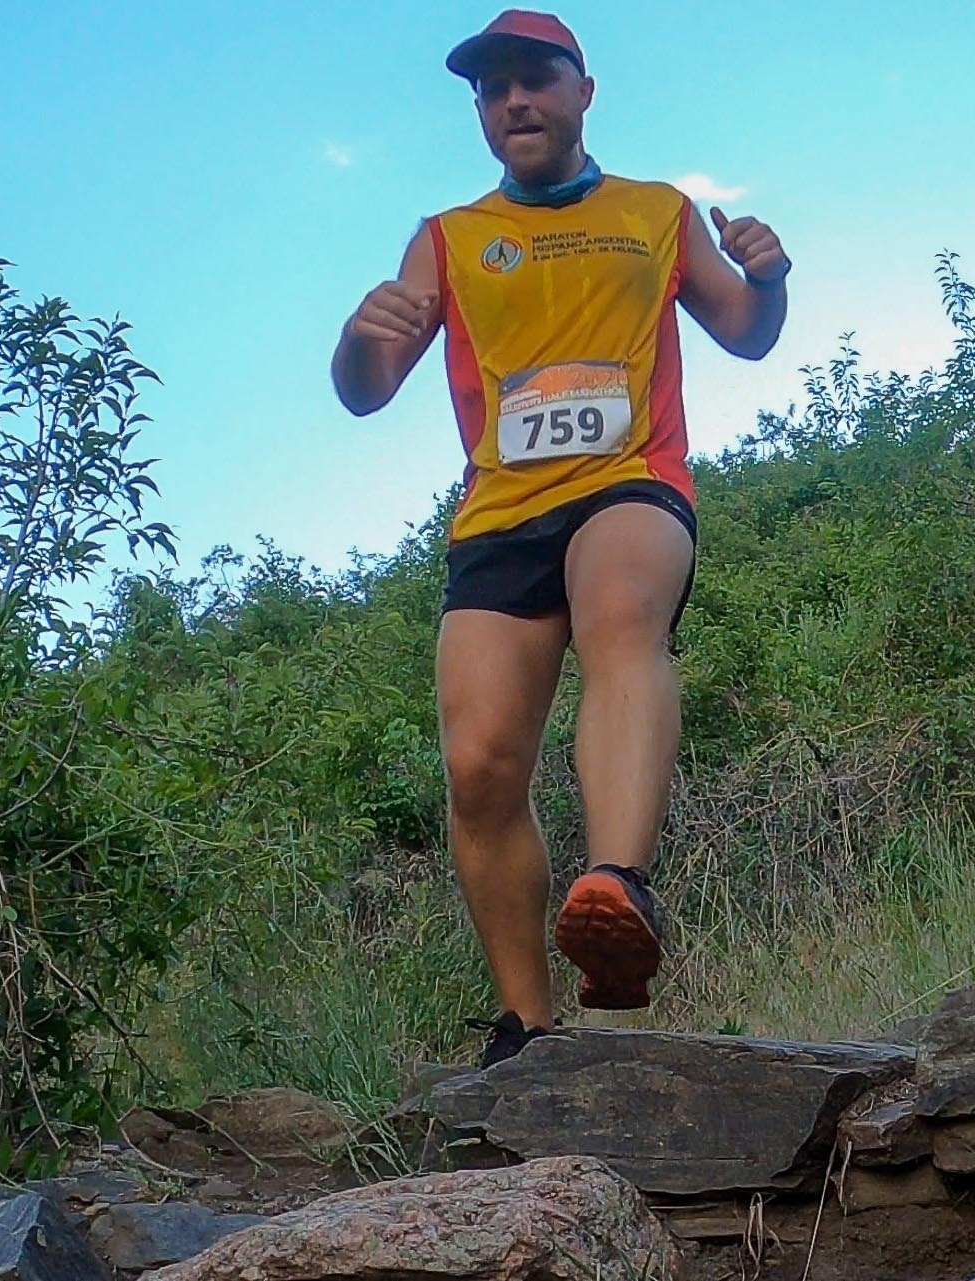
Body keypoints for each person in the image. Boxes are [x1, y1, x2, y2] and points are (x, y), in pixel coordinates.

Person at [329, 9, 790, 1068]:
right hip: (499, 514)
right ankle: (527, 1026)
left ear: (583, 92)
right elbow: (365, 392)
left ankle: (617, 885)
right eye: (492, 91)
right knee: (479, 763)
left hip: (631, 481)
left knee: (621, 613)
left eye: (534, 79)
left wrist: (767, 278)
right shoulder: (448, 237)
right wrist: (358, 339)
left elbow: (746, 333)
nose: (514, 102)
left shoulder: (657, 212)